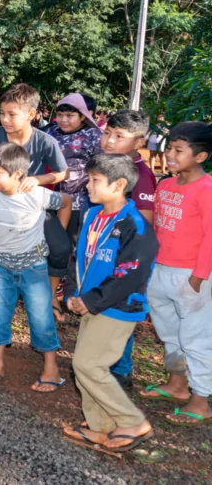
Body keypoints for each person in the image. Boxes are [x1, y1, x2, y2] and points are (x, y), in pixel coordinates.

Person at [62, 154, 157, 453]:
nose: (87, 186)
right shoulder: (91, 215)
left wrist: (91, 300)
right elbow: (78, 258)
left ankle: (132, 422)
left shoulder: (135, 225)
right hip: (90, 302)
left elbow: (129, 275)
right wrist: (73, 295)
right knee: (86, 365)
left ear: (118, 186)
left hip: (118, 306)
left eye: (94, 181)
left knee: (88, 364)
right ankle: (100, 428)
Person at [0, 142, 72, 392]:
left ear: (18, 174)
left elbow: (66, 201)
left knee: (41, 318)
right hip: (1, 266)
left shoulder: (37, 195)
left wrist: (58, 234)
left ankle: (51, 369)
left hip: (34, 268)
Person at [0, 84, 69, 312]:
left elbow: (62, 172)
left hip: (32, 206)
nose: (4, 119)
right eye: (2, 113)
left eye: (11, 114)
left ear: (31, 115)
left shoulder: (45, 141)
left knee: (61, 247)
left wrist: (39, 179)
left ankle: (52, 293)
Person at [141, 122, 212, 426]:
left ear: (201, 156)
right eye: (169, 148)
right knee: (169, 332)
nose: (169, 154)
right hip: (160, 270)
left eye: (178, 150)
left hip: (191, 277)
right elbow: (159, 228)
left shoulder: (207, 190)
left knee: (196, 338)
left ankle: (201, 400)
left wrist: (197, 278)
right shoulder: (165, 185)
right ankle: (177, 385)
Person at [99, 109, 158, 388]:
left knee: (120, 311)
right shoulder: (104, 165)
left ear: (139, 143)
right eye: (107, 133)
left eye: (119, 136)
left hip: (124, 258)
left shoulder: (141, 175)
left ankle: (121, 370)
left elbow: (143, 226)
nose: (110, 140)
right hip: (101, 253)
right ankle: (101, 362)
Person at [45, 93, 103, 242]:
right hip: (48, 197)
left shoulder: (94, 136)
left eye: (70, 116)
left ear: (83, 116)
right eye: (60, 115)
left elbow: (101, 168)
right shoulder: (49, 132)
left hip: (79, 202)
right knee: (49, 240)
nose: (63, 120)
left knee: (71, 240)